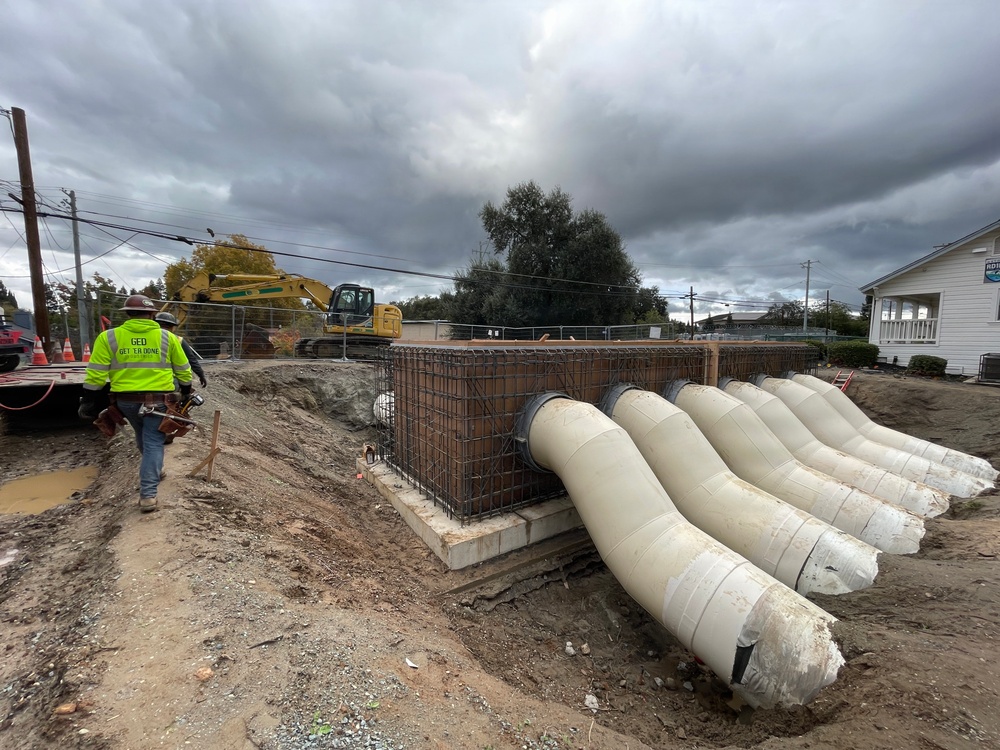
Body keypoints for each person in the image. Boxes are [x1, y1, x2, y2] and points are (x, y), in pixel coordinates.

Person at [78, 295, 194, 513]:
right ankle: (148, 494)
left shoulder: (108, 337)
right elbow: (183, 370)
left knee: (143, 436)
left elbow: (95, 375)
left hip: (126, 402)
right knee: (153, 442)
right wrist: (186, 391)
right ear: (152, 314)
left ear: (127, 313)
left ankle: (155, 471)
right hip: (159, 402)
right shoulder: (167, 337)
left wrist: (88, 401)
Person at [154, 311, 207, 388]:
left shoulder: (146, 338)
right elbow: (191, 359)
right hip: (168, 381)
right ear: (172, 327)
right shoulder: (177, 339)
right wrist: (201, 375)